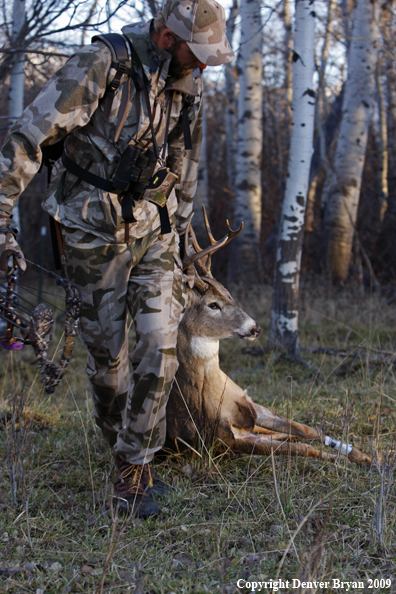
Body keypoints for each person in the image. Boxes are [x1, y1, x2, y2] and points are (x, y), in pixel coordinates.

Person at [0, 0, 235, 517]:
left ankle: (135, 469)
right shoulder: (103, 63)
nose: (201, 67)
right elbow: (28, 137)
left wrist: (185, 237)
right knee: (109, 365)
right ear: (167, 37)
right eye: (196, 55)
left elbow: (184, 161)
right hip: (91, 233)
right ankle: (122, 449)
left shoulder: (187, 83)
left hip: (155, 233)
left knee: (158, 344)